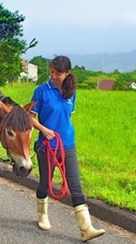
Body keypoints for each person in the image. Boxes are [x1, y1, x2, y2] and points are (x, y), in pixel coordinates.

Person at [30, 56, 105, 242]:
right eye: (51, 72)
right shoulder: (41, 91)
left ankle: (86, 228)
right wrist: (44, 129)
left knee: (76, 186)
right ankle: (42, 215)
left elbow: (67, 117)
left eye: (58, 73)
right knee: (45, 184)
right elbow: (30, 117)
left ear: (67, 73)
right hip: (47, 146)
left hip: (68, 145)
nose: (53, 76)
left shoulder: (71, 92)